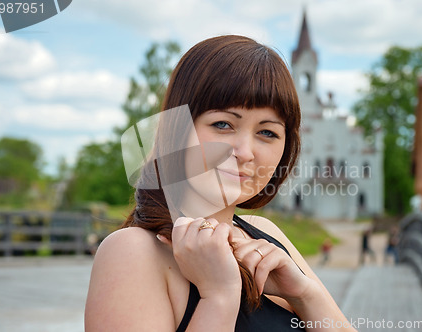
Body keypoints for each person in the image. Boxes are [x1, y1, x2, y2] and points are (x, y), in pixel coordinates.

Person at [85, 35, 355, 332]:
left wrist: (304, 294)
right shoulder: (134, 252)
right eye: (223, 124)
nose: (245, 152)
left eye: (267, 132)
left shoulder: (265, 234)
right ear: (178, 128)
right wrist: (219, 297)